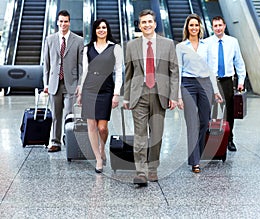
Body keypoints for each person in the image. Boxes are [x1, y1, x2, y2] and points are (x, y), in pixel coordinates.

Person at [123, 9, 179, 186]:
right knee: (139, 134)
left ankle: (153, 167)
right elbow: (128, 74)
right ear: (139, 26)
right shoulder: (131, 46)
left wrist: (174, 96)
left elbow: (174, 72)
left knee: (156, 133)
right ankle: (141, 171)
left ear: (155, 24)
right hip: (138, 94)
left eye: (149, 22)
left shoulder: (168, 44)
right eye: (143, 22)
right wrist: (126, 97)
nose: (147, 25)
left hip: (159, 94)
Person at [176, 14, 223, 173]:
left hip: (205, 84)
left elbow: (211, 69)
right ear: (187, 28)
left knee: (204, 121)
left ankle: (199, 153)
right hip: (188, 84)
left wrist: (215, 90)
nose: (194, 28)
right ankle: (194, 161)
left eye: (196, 25)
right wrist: (178, 96)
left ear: (200, 27)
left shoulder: (206, 46)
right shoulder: (181, 46)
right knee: (192, 122)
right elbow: (178, 71)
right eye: (191, 25)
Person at [77, 18, 123, 173]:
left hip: (106, 88)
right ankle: (97, 158)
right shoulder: (88, 48)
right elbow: (84, 72)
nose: (101, 30)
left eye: (104, 27)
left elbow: (119, 73)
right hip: (90, 88)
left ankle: (102, 147)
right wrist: (81, 91)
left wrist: (116, 93)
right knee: (91, 125)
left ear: (108, 30)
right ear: (95, 31)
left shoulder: (115, 48)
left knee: (102, 127)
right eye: (98, 28)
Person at [43, 10, 84, 153]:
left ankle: (69, 140)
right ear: (57, 22)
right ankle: (55, 142)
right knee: (55, 115)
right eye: (61, 21)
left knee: (68, 114)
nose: (63, 24)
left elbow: (81, 65)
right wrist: (46, 84)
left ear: (69, 22)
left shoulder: (78, 40)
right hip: (54, 83)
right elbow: (46, 64)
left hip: (71, 83)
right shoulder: (50, 39)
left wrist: (80, 84)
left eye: (66, 21)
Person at [204, 16, 246, 152]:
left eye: (220, 25)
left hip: (227, 80)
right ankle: (212, 140)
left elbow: (239, 62)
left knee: (228, 111)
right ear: (212, 27)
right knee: (211, 111)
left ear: (225, 26)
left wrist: (241, 81)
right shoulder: (206, 43)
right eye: (215, 26)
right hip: (212, 81)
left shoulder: (233, 42)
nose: (218, 28)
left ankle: (229, 139)